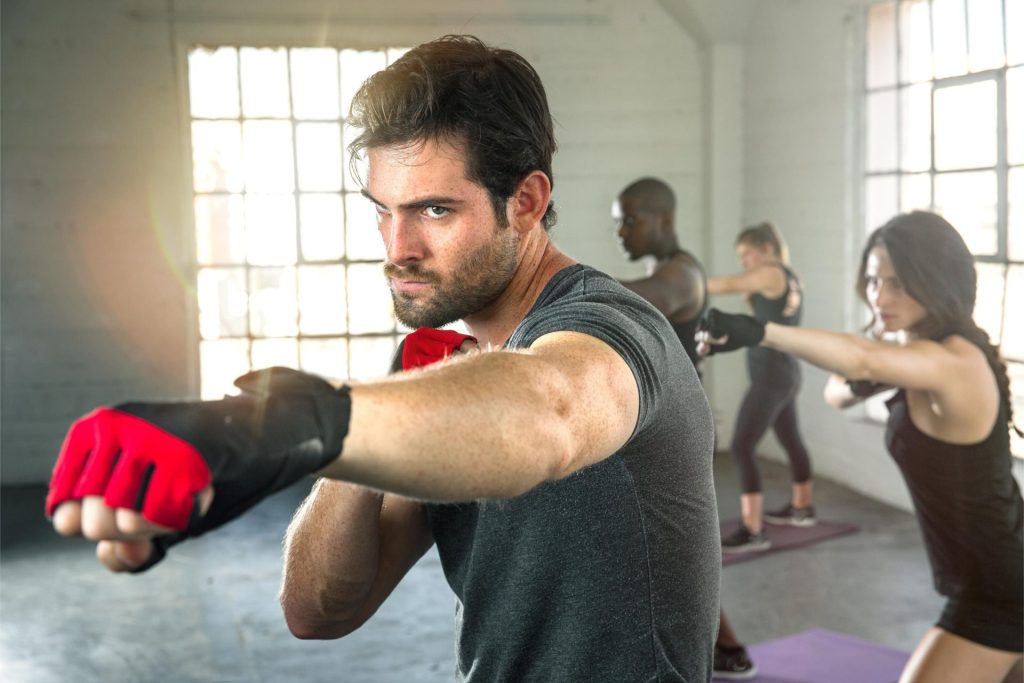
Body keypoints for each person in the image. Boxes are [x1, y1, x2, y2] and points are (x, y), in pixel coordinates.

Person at [46, 35, 721, 681]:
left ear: (526, 201)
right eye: (382, 211)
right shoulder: (441, 364)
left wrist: (291, 422)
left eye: (433, 209)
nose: (397, 246)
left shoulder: (607, 326)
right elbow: (319, 609)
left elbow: (548, 412)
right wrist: (337, 441)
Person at [697, 210, 1024, 682]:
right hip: (988, 577)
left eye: (897, 282)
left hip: (1000, 590)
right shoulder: (915, 354)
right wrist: (868, 375)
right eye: (873, 281)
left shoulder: (956, 360)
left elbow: (862, 356)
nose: (880, 296)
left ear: (936, 280)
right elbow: (838, 390)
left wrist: (761, 331)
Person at [613, 177, 756, 680]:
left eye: (630, 219)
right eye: (618, 220)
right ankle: (721, 646)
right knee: (661, 547)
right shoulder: (669, 268)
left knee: (674, 551)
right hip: (662, 427)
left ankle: (727, 647)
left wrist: (543, 277)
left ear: (664, 221)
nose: (620, 231)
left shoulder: (679, 277)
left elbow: (626, 297)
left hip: (676, 434)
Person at [705, 222, 814, 553]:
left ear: (766, 249)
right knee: (792, 440)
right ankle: (802, 508)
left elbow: (725, 284)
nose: (745, 263)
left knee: (741, 446)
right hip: (784, 371)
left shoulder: (771, 272)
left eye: (747, 254)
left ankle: (753, 530)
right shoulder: (789, 274)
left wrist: (680, 282)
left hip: (771, 376)